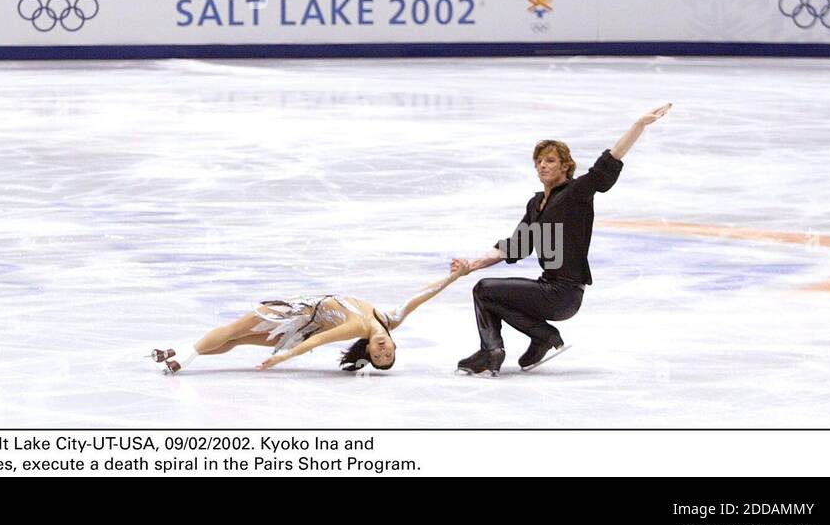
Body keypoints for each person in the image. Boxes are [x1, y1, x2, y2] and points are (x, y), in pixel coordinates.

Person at [450, 105, 672, 375]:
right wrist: (471, 266)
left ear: (565, 166)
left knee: (485, 290)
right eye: (539, 161)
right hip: (549, 288)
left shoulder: (576, 193)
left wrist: (639, 124)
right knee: (487, 293)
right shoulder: (536, 204)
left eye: (550, 160)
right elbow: (515, 246)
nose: (543, 165)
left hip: (564, 293)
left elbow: (609, 162)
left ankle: (495, 350)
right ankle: (539, 337)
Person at [151, 267, 465, 374]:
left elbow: (318, 341)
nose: (383, 350)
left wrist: (285, 355)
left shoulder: (358, 326)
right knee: (235, 337)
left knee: (236, 333)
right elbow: (423, 294)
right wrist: (457, 274)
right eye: (389, 353)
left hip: (297, 319)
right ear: (395, 345)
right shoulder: (390, 319)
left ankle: (182, 355)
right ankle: (178, 353)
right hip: (303, 320)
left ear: (368, 349)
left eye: (378, 356)